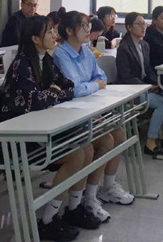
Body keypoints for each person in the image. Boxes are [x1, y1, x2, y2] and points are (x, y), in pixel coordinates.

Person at [1, 15, 101, 239]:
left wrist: (53, 92)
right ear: (35, 38)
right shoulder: (22, 64)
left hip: (42, 128)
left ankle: (73, 208)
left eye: (54, 31)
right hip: (20, 138)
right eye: (49, 32)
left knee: (87, 148)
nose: (55, 35)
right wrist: (54, 92)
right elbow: (35, 101)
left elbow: (68, 87)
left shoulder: (46, 59)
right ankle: (48, 219)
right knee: (76, 156)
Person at [53, 11, 135, 222]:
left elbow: (102, 77)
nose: (88, 29)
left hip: (87, 109)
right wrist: (94, 85)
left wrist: (92, 85)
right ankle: (86, 198)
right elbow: (75, 88)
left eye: (88, 25)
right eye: (83, 25)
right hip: (69, 116)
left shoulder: (86, 52)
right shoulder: (61, 54)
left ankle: (104, 189)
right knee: (105, 140)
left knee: (119, 133)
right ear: (69, 30)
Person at [115, 13, 163, 157]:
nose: (143, 27)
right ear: (129, 27)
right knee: (162, 104)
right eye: (139, 24)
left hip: (143, 86)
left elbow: (148, 70)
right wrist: (146, 87)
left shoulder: (144, 45)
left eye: (144, 24)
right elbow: (125, 77)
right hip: (130, 91)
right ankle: (150, 142)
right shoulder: (124, 48)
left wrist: (155, 83)